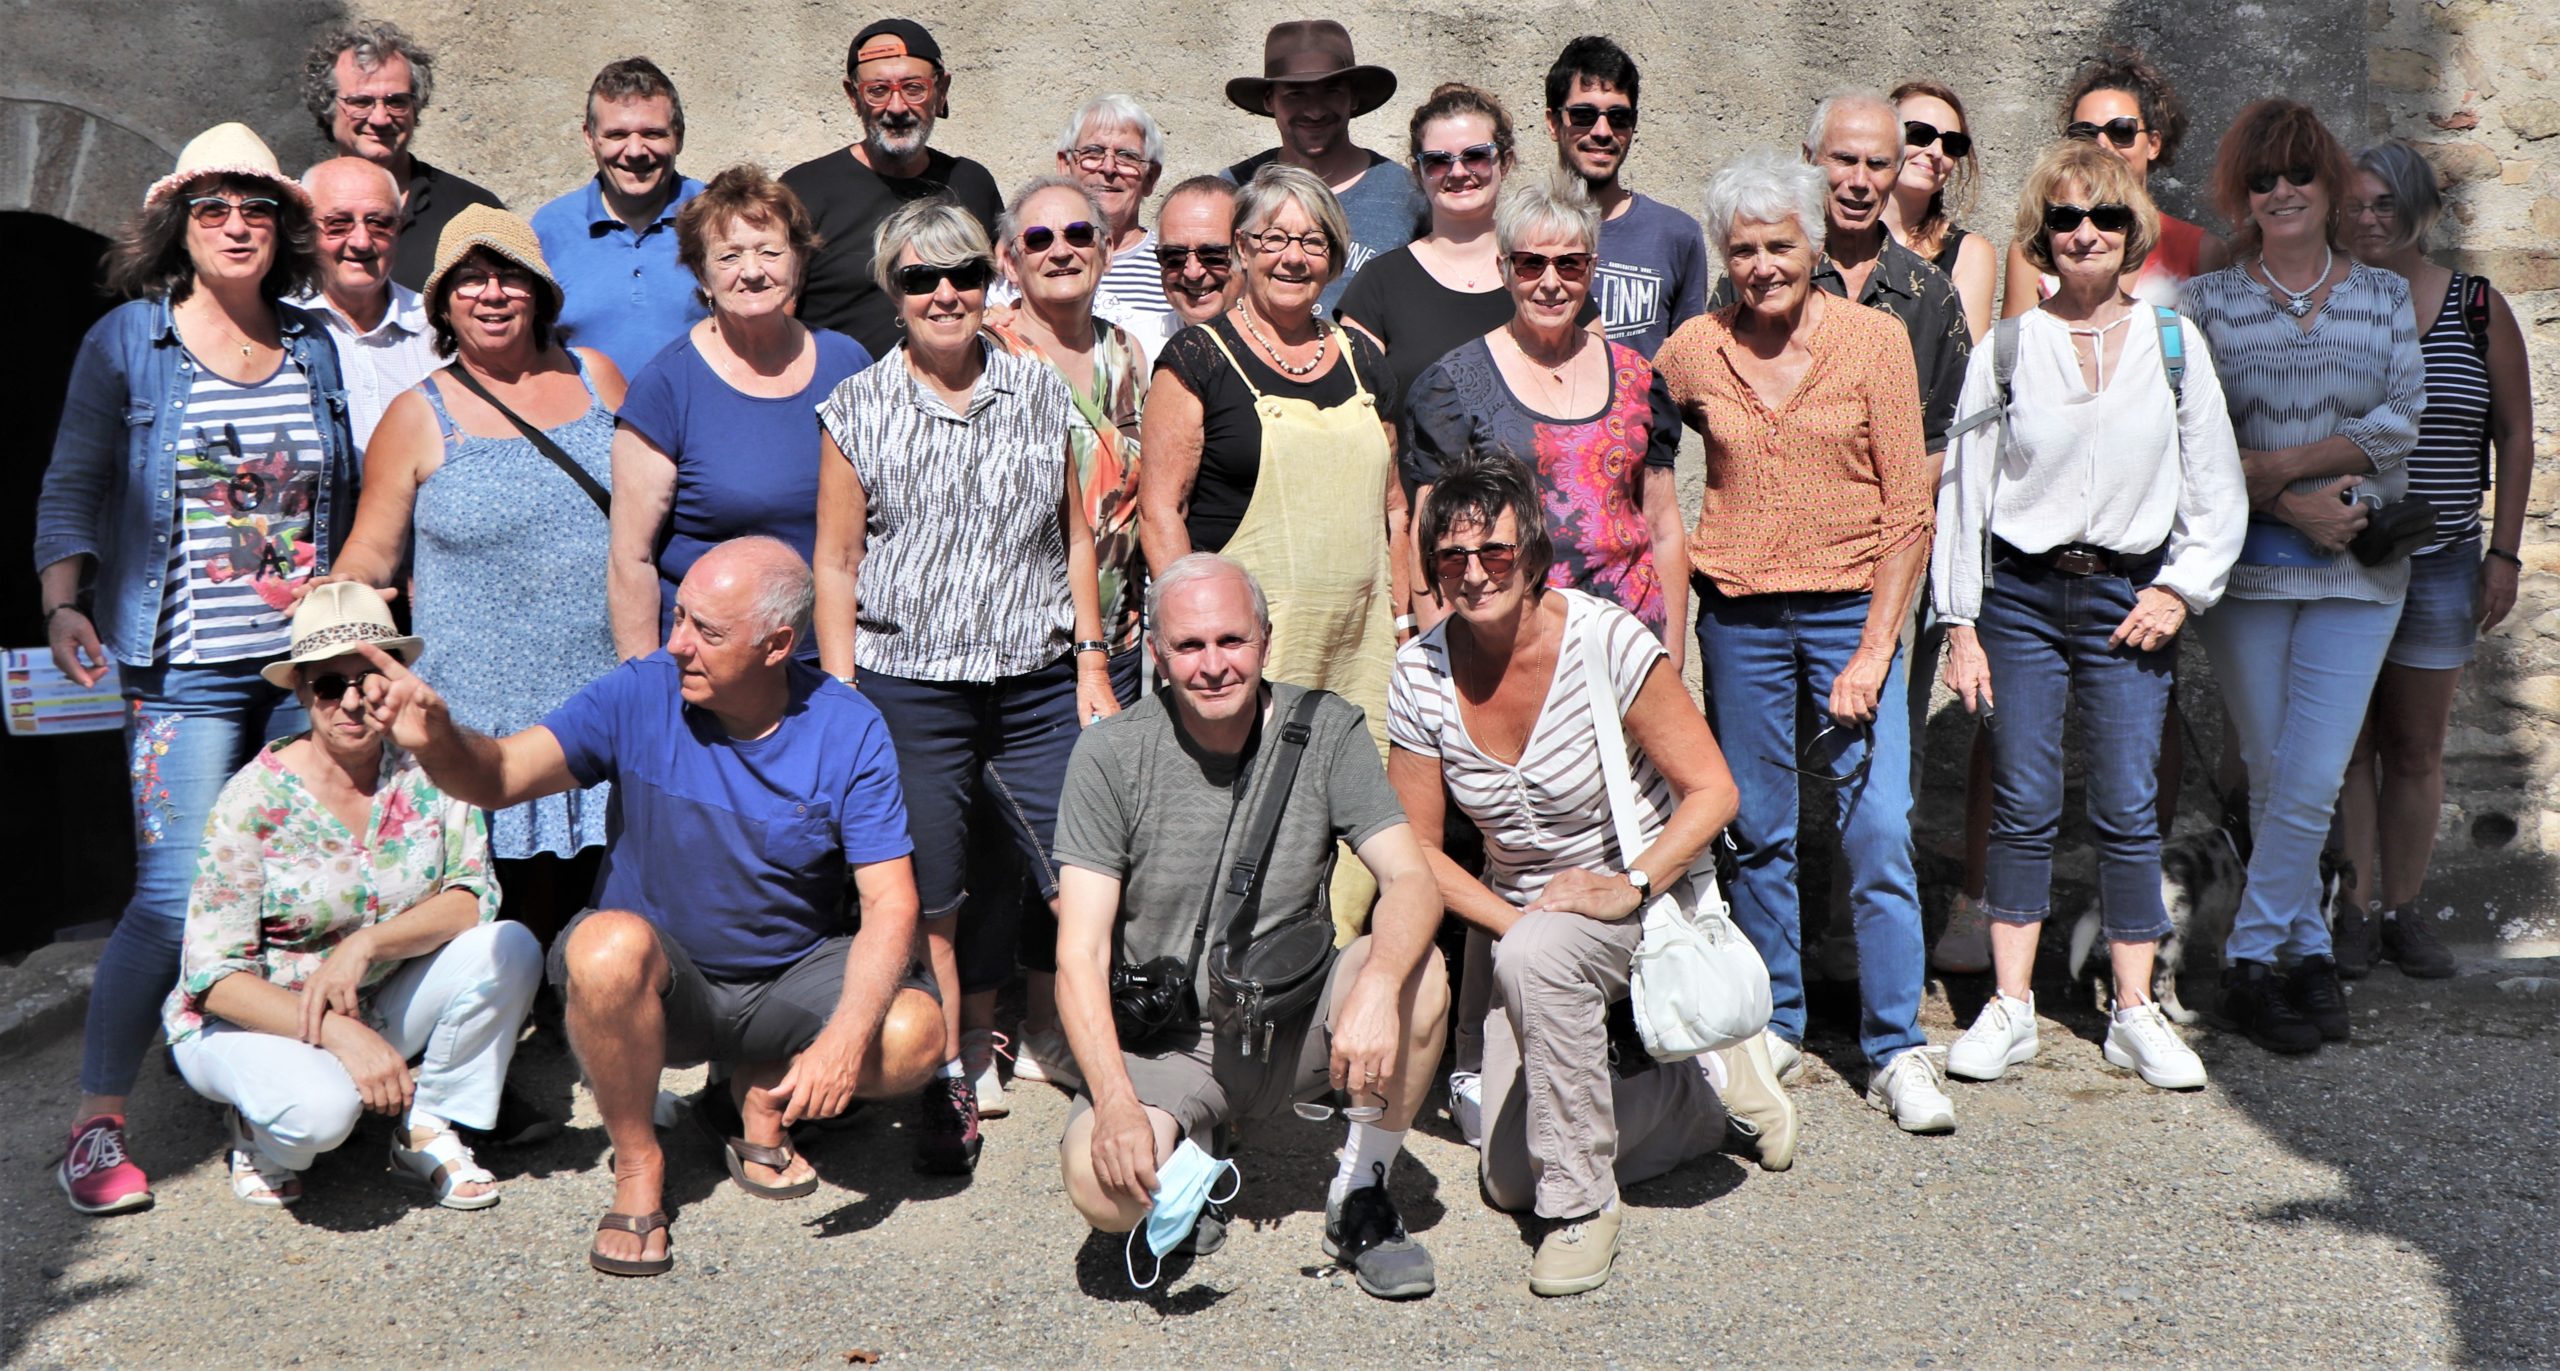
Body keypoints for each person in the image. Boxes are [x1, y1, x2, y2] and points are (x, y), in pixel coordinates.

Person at [359, 537, 944, 1275]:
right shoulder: (640, 693)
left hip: (787, 979)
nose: (677, 644)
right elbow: (500, 775)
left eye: (708, 631)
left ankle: (756, 1090)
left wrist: (843, 1041)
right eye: (679, 616)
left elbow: (890, 899)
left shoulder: (848, 727)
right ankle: (639, 1163)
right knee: (603, 947)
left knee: (915, 1033)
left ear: (777, 646)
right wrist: (440, 739)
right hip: (662, 987)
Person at [37, 122, 359, 1216]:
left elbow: (343, 491)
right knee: (176, 896)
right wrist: (63, 599)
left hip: (300, 672)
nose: (235, 226)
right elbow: (73, 477)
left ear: (282, 230)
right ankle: (97, 1123)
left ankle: (263, 1093)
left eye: (256, 208)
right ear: (181, 225)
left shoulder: (313, 345)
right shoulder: (131, 340)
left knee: (294, 893)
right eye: (212, 208)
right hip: (180, 669)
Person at [1387, 455, 1778, 1296]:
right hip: (1522, 921)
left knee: (1548, 1159)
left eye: (1494, 551)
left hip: (1636, 894)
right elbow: (1416, 849)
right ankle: (1699, 1095)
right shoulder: (1419, 673)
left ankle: (1583, 1207)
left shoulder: (1605, 640)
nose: (1473, 573)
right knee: (1505, 1178)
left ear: (1532, 553)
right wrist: (1516, 923)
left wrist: (1630, 883)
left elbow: (1714, 791)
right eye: (1450, 557)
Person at [1933, 141, 2245, 1091]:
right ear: (2041, 234)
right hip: (2023, 596)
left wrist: (2179, 588)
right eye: (2064, 218)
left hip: (2128, 595)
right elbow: (1964, 489)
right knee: (2022, 799)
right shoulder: (2007, 349)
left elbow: (2216, 485)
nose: (2084, 234)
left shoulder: (2173, 346)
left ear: (2131, 230)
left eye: (2104, 217)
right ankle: (2012, 1005)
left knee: (2126, 803)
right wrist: (1961, 622)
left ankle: (2135, 1009)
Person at [1055, 553, 1449, 1300]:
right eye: (1189, 645)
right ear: (1157, 653)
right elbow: (1079, 953)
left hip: (1289, 1021)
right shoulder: (1110, 755)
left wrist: (1377, 988)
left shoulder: (1328, 730)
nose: (1213, 665)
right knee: (1102, 1191)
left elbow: (1411, 879)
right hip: (1172, 1040)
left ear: (1266, 640)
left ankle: (1361, 1191)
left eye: (1231, 640)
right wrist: (1113, 1103)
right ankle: (1193, 1143)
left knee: (1419, 972)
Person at [812, 197, 1114, 1172]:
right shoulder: (856, 407)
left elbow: (1074, 534)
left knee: (1082, 874)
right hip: (911, 687)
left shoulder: (1036, 388)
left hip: (1035, 681)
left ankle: (1112, 1062)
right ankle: (948, 1073)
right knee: (932, 895)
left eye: (964, 274)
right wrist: (841, 691)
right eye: (920, 278)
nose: (945, 293)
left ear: (991, 282)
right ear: (891, 290)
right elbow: (836, 562)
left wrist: (1092, 659)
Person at [1655, 148, 1949, 1133]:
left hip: (1847, 614)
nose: (1762, 265)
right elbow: (1631, 433)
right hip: (1738, 616)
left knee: (1878, 831)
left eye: (1778, 245)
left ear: (1812, 244)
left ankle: (1896, 1046)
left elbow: (1908, 512)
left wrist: (1874, 651)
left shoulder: (1873, 341)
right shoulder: (1695, 350)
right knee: (1757, 832)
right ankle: (1776, 1019)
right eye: (1742, 250)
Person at [164, 582, 538, 1208]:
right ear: (301, 692)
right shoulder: (252, 800)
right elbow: (213, 979)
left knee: (511, 947)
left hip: (374, 994)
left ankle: (429, 1124)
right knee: (322, 1115)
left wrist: (365, 945)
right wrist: (339, 1034)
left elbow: (473, 896)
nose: (352, 702)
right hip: (254, 1020)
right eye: (329, 686)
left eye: (369, 681)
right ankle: (257, 1131)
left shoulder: (428, 769)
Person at [2180, 99, 2424, 1056]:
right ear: (2242, 196)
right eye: (2261, 179)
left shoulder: (2383, 295)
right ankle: (2307, 951)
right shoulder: (2203, 304)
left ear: (2328, 183)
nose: (2281, 190)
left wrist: (2279, 469)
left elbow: (2401, 420)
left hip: (2359, 571)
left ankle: (2254, 958)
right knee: (2278, 765)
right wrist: (2293, 505)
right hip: (2249, 572)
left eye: (2298, 173)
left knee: (2316, 770)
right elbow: (2192, 444)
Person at [320, 207, 626, 945]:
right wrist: (339, 601)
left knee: (605, 912)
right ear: (443, 305)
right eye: (470, 279)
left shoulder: (599, 377)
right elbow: (371, 549)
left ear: (539, 293)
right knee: (501, 925)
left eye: (509, 277)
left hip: (601, 692)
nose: (491, 293)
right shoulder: (416, 414)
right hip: (479, 717)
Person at [1139, 164, 1407, 939]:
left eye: (1313, 241)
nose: (1294, 256)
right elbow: (1161, 510)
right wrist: (1191, 635)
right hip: (1245, 649)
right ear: (1244, 251)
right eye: (1275, 238)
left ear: (1335, 255)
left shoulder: (1362, 359)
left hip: (1360, 650)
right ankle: (1217, 978)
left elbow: (1394, 507)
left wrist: (1406, 619)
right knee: (1241, 827)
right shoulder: (1197, 359)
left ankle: (1328, 973)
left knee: (1355, 831)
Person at [970, 174, 1154, 1104]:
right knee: (994, 843)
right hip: (1012, 638)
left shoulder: (1126, 351)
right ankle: (974, 1038)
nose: (1060, 250)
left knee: (1081, 834)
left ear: (1108, 247)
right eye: (1037, 239)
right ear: (1009, 258)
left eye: (1079, 233)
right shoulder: (983, 350)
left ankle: (1046, 1022)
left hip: (1113, 635)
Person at [2330, 138, 2533, 979]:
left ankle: (2402, 911)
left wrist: (2505, 553)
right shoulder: (2327, 300)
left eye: (2386, 203)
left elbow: (2514, 433)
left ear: (2419, 211)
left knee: (2415, 746)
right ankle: (2351, 911)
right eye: (2356, 204)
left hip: (2443, 559)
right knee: (2348, 746)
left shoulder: (2475, 306)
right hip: (2342, 556)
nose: (2370, 219)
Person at [1403, 179, 1684, 651]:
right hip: (1510, 641)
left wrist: (1670, 650)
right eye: (1531, 264)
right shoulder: (1454, 384)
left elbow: (1663, 524)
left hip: (1630, 636)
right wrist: (1441, 648)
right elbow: (1430, 531)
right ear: (1504, 270)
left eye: (1569, 264)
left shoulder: (1638, 378)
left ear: (1591, 270)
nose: (1550, 283)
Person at [606, 165, 873, 660]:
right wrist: (645, 685)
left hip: (837, 659)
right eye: (729, 256)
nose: (752, 271)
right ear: (701, 274)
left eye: (770, 252)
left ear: (798, 261)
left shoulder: (848, 364)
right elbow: (632, 559)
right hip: (713, 669)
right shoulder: (667, 386)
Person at [782, 18, 1002, 359]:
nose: (896, 107)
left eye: (914, 88)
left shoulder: (971, 183)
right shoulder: (802, 191)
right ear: (853, 96)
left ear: (941, 90)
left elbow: (1006, 296)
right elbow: (774, 320)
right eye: (878, 91)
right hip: (837, 389)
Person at [1338, 84, 1563, 408]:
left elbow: (1593, 376)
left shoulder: (1552, 270)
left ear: (1505, 162)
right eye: (1438, 161)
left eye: (1476, 156)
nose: (1458, 172)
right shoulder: (1379, 284)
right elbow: (1354, 410)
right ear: (1418, 172)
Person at [1219, 20, 1425, 317]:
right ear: (1269, 101)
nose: (1315, 111)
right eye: (1295, 94)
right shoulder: (1234, 189)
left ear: (1353, 97)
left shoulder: (1406, 194)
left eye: (1331, 91)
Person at [2002, 45, 2229, 316]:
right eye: (2084, 133)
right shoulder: (2038, 248)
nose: (2102, 146)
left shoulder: (2200, 251)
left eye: (2121, 130)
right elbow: (2017, 340)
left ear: (2153, 144)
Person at [530, 57, 709, 377]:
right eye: (617, 135)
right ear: (590, 138)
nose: (635, 151)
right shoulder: (549, 230)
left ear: (678, 136)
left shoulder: (717, 217)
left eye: (652, 133)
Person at [301, 20, 505, 290]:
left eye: (396, 102)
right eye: (361, 102)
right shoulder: (295, 211)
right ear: (326, 107)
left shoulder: (472, 210)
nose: (380, 118)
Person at [1543, 36, 1708, 358]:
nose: (1602, 131)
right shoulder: (1519, 234)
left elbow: (1688, 364)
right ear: (1553, 123)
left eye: (1619, 117)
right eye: (1583, 115)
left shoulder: (1676, 235)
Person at [294, 157, 441, 451]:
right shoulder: (276, 327)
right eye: (338, 223)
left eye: (379, 223)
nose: (361, 241)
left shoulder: (437, 327)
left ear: (399, 227)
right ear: (305, 228)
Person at [1885, 79, 1996, 342]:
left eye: (1951, 143)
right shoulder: (1831, 233)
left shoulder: (1969, 254)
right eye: (1918, 134)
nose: (1936, 152)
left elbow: (1966, 358)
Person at [1053, 95, 1170, 329]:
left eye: (1127, 156)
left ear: (1151, 177)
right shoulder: (1037, 257)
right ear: (1065, 165)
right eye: (1093, 152)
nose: (1108, 168)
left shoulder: (1174, 268)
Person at [1138, 175, 1244, 357]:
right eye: (1174, 256)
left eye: (1212, 255)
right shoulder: (1135, 350)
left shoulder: (1288, 349)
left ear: (1246, 252)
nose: (1192, 272)